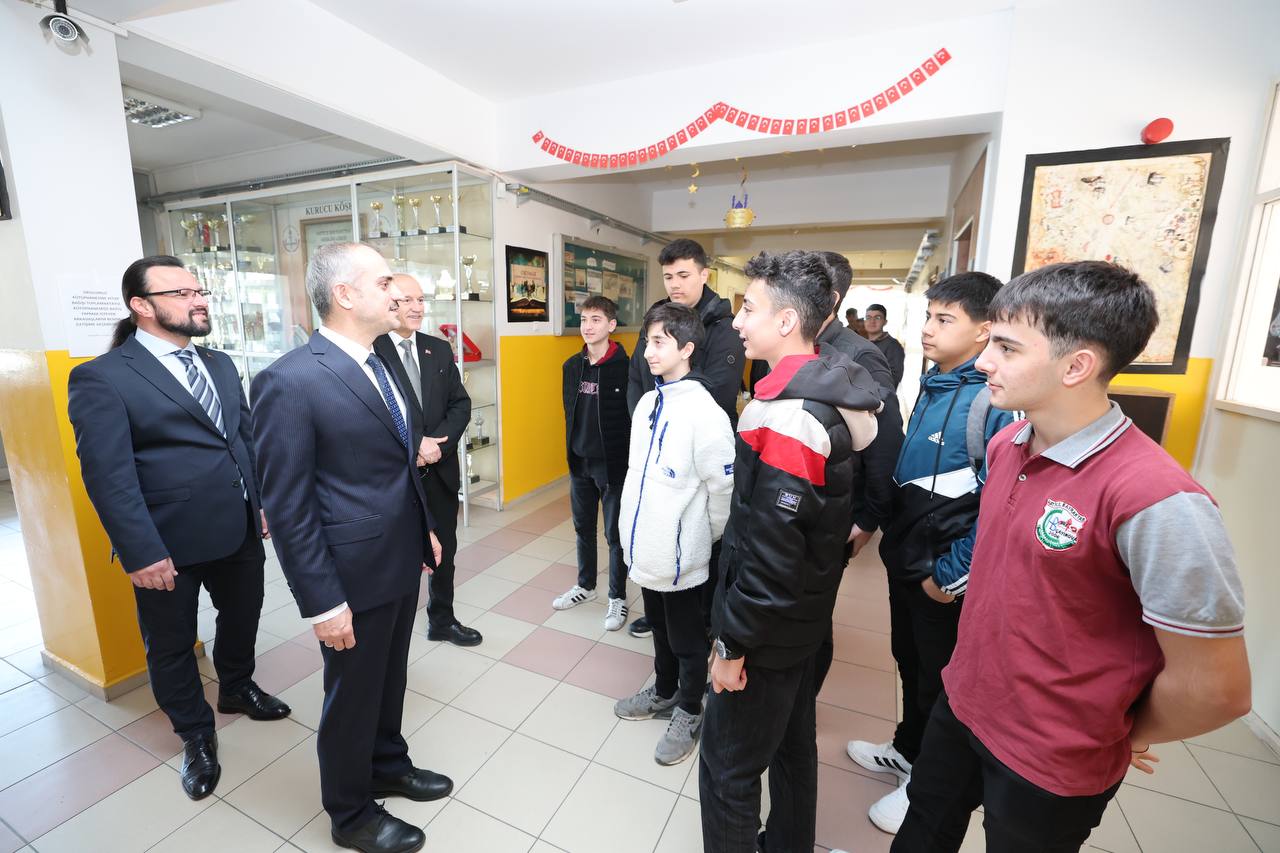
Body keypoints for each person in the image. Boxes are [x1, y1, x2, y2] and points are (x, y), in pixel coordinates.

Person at [894, 261, 1251, 853]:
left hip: (1052, 755)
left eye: (1007, 348)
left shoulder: (1158, 500)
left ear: (1076, 366)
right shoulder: (1007, 443)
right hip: (964, 704)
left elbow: (1216, 688)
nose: (984, 362)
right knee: (923, 830)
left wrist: (1119, 731)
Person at [69, 254, 291, 802]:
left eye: (199, 291)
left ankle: (236, 686)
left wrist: (260, 503)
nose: (197, 301)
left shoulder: (219, 363)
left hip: (237, 525)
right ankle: (195, 733)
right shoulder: (103, 377)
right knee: (171, 644)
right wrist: (140, 551)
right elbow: (108, 476)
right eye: (180, 293)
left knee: (244, 614)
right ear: (141, 306)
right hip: (166, 541)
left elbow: (243, 440)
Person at [252, 242, 449, 853]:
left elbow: (397, 465)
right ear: (344, 294)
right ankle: (350, 811)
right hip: (348, 574)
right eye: (384, 281)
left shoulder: (379, 360)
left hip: (396, 559)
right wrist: (323, 602)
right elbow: (288, 505)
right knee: (353, 694)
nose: (397, 291)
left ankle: (387, 763)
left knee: (390, 677)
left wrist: (423, 530)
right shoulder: (290, 381)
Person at [699, 251, 881, 853]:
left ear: (785, 322)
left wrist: (732, 645)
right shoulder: (822, 394)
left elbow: (769, 555)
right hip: (803, 617)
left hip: (768, 631)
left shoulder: (790, 417)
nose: (736, 322)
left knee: (727, 771)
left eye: (748, 309)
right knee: (792, 746)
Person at [847, 271, 1014, 834]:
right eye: (928, 316)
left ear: (984, 330)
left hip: (942, 572)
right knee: (909, 661)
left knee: (941, 682)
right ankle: (906, 750)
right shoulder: (936, 381)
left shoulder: (992, 401)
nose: (927, 329)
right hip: (908, 558)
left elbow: (1000, 506)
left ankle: (926, 784)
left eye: (945, 320)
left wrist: (947, 577)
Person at [614, 302, 735, 766]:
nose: (649, 351)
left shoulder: (704, 411)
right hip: (647, 545)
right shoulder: (649, 401)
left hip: (682, 553)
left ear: (687, 348)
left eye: (659, 342)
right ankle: (663, 690)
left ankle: (689, 708)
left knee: (686, 638)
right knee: (659, 626)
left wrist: (697, 538)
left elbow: (724, 489)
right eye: (647, 341)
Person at [627, 238, 744, 640]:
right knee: (655, 532)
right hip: (656, 446)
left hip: (695, 451)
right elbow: (636, 380)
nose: (675, 284)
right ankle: (660, 611)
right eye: (668, 276)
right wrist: (648, 424)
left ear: (704, 274)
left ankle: (701, 625)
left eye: (683, 275)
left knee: (698, 545)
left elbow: (718, 393)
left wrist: (671, 423)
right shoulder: (658, 319)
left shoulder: (724, 327)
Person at [374, 273, 480, 648]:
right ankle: (389, 629)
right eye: (408, 300)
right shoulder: (371, 350)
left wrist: (438, 447)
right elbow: (373, 413)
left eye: (421, 299)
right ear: (388, 302)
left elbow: (460, 404)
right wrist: (415, 444)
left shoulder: (438, 349)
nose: (417, 307)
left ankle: (442, 620)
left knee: (444, 552)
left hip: (439, 472)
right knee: (397, 554)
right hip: (396, 476)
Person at [554, 295, 633, 631]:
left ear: (611, 325)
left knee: (615, 535)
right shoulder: (572, 367)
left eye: (596, 319)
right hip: (580, 462)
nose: (587, 326)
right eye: (584, 319)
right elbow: (569, 414)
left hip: (612, 465)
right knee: (582, 529)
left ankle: (617, 597)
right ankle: (586, 586)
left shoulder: (627, 368)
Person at [864, 302, 906, 390]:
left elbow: (894, 379)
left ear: (885, 322)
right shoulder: (862, 343)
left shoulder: (893, 346)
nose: (872, 321)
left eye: (877, 317)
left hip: (879, 396)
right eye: (868, 317)